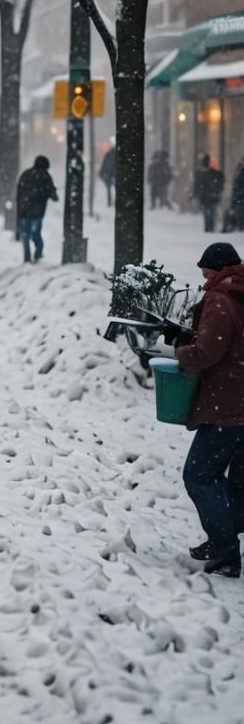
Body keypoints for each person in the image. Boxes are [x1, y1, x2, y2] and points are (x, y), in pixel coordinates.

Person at [172, 242, 244, 577]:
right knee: (234, 479)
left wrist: (180, 351)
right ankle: (224, 538)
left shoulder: (221, 298)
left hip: (227, 405)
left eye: (206, 269)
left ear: (218, 268)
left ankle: (226, 549)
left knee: (199, 475)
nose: (203, 275)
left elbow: (206, 353)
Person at [15, 155, 59, 264]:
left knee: (25, 235)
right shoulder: (45, 176)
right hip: (37, 212)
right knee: (36, 234)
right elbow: (54, 196)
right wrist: (51, 192)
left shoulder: (25, 174)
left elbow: (19, 194)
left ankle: (27, 258)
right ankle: (38, 255)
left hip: (24, 211)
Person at [192, 154, 225, 233]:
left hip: (206, 195)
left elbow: (197, 184)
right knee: (211, 211)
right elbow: (220, 181)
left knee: (207, 211)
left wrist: (196, 193)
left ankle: (208, 226)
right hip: (211, 195)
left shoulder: (201, 171)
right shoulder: (213, 171)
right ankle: (210, 226)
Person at [226, 157, 244, 232]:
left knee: (239, 213)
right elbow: (237, 183)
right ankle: (238, 227)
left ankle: (240, 227)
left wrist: (239, 194)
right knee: (236, 212)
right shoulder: (240, 169)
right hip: (237, 197)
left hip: (240, 197)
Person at [99, 140, 116, 208]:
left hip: (108, 174)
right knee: (112, 188)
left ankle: (110, 202)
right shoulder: (112, 155)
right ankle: (112, 202)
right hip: (111, 174)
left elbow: (105, 164)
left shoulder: (109, 154)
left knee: (109, 188)